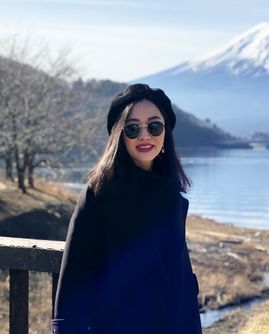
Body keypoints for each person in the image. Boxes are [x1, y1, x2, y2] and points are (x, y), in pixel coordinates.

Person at [51, 84, 202, 333]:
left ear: (165, 132)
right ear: (120, 136)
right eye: (132, 129)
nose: (145, 136)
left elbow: (180, 279)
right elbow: (74, 282)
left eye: (154, 126)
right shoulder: (98, 195)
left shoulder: (172, 196)